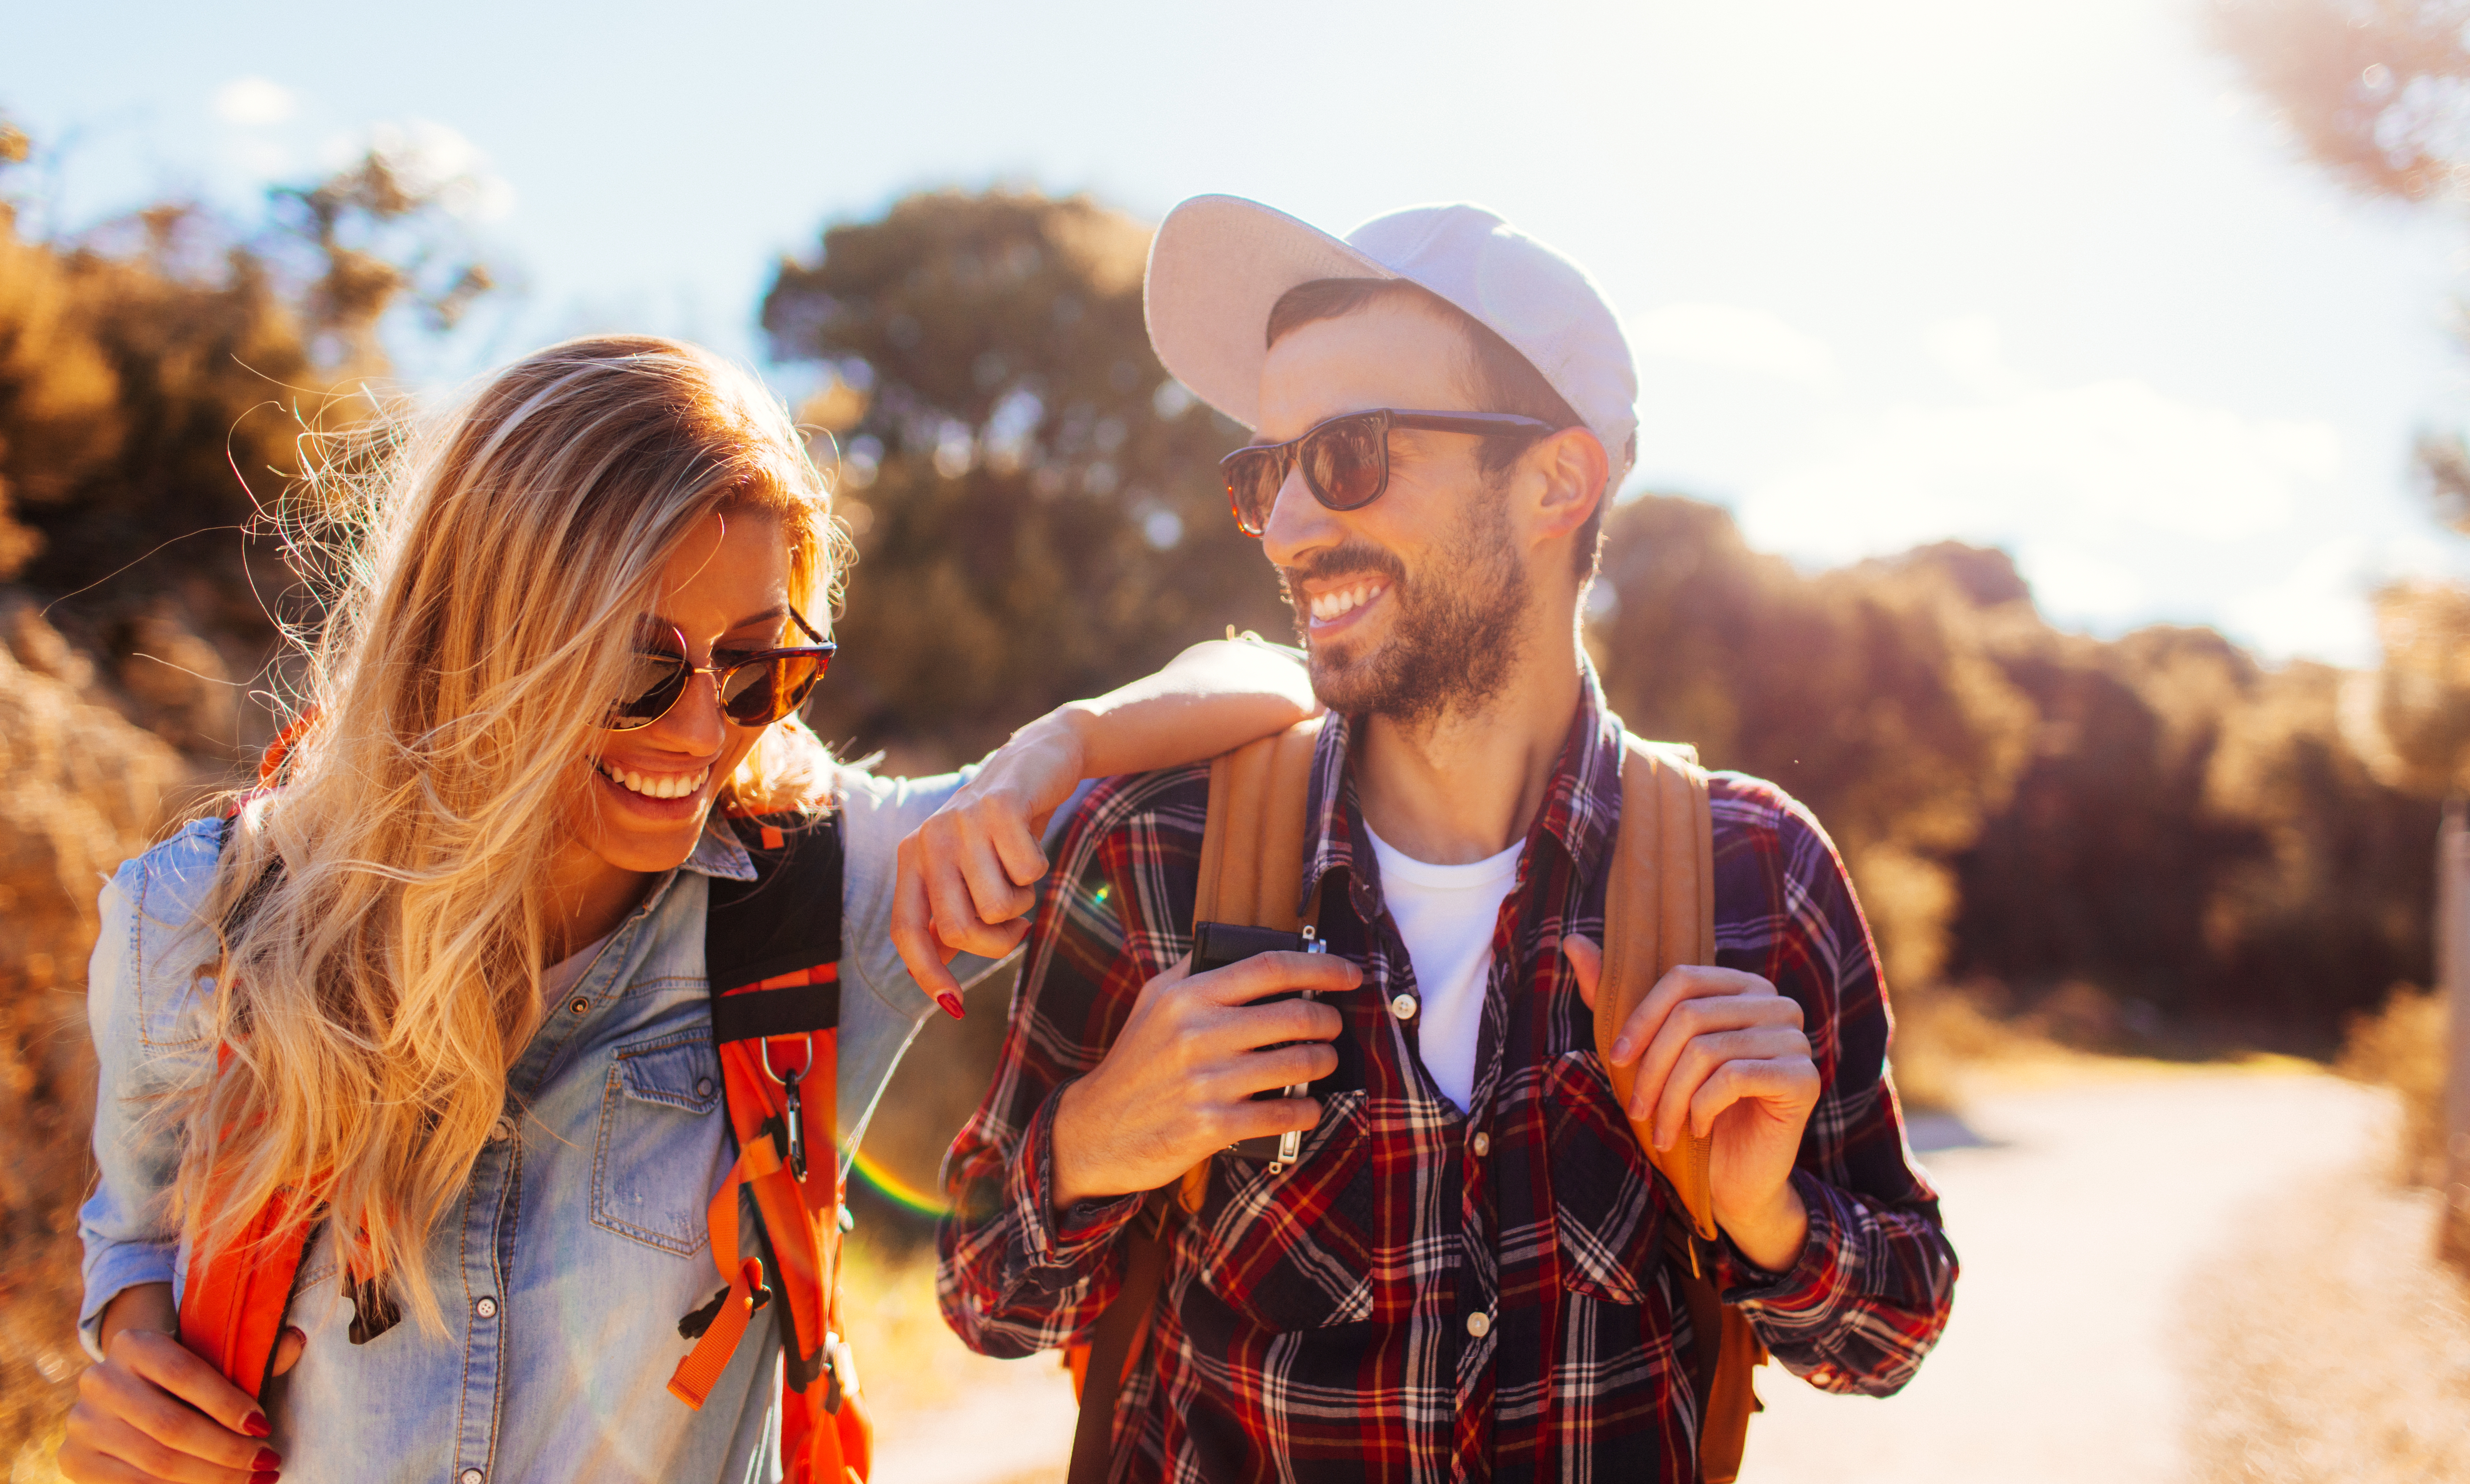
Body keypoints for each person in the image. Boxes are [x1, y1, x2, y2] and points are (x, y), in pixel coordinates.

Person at [66, 335, 1317, 1484]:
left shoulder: (819, 896)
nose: (703, 730)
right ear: (484, 640)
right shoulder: (197, 924)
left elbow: (1274, 681)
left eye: (761, 665)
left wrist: (1055, 746)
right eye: (637, 668)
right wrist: (130, 1355)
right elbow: (136, 1230)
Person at [933, 198, 1958, 1480]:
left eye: (1349, 454)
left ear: (1554, 479)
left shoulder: (1758, 872)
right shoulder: (1153, 857)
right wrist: (1095, 1140)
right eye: (1265, 472)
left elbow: (1893, 1326)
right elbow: (984, 1296)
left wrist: (1764, 1213)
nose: (1292, 525)